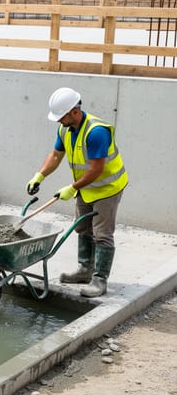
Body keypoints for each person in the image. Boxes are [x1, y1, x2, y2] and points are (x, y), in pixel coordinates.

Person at [25, 87, 128, 298]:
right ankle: (84, 270)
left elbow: (96, 169)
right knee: (82, 228)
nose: (57, 120)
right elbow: (55, 155)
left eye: (61, 116)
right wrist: (39, 176)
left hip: (107, 189)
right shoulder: (65, 128)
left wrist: (72, 188)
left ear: (75, 111)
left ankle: (99, 281)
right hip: (85, 188)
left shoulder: (96, 132)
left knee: (102, 235)